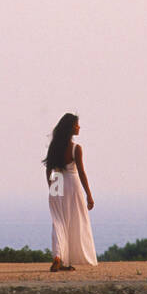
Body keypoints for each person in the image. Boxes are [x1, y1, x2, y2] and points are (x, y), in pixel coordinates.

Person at [43, 112, 97, 272]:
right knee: (74, 220)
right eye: (76, 125)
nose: (79, 127)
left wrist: (51, 187)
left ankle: (59, 257)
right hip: (72, 184)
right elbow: (81, 172)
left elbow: (48, 169)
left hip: (56, 182)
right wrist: (89, 194)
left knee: (58, 221)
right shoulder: (76, 148)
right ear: (70, 128)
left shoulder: (54, 146)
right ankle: (66, 259)